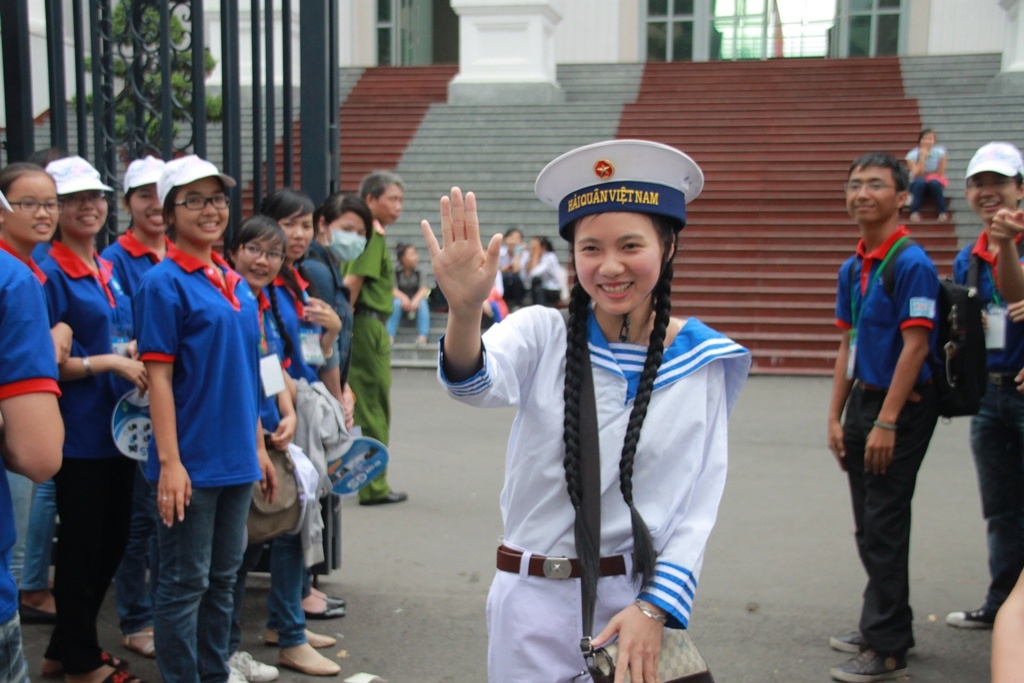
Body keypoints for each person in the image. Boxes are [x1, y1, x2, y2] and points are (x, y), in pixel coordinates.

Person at [424, 139, 750, 682]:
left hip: (633, 609)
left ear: (668, 247)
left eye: (630, 245)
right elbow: (474, 381)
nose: (610, 266)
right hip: (527, 603)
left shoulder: (701, 359)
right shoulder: (542, 333)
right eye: (591, 248)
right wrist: (464, 311)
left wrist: (655, 609)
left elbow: (697, 504)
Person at [134, 155, 277, 683]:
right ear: (169, 213)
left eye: (217, 198)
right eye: (193, 200)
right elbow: (160, 379)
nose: (210, 210)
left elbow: (245, 373)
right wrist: (170, 462)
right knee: (182, 582)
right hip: (190, 462)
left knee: (223, 579)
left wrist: (258, 447)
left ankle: (213, 673)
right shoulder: (162, 283)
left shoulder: (236, 284)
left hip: (237, 458)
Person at [826, 152, 941, 683]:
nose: (861, 193)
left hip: (900, 406)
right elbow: (847, 343)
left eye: (875, 184)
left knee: (885, 523)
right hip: (863, 403)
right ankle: (886, 623)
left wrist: (887, 421)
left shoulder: (911, 262)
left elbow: (915, 347)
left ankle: (888, 645)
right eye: (854, 185)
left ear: (901, 197)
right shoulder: (854, 266)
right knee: (868, 524)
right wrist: (835, 415)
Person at [38, 155, 149, 683]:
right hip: (79, 428)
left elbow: (105, 336)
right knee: (84, 545)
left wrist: (124, 350)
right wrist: (106, 361)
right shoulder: (50, 271)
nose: (89, 206)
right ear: (54, 210)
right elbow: (44, 358)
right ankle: (80, 660)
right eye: (73, 199)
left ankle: (65, 646)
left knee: (112, 538)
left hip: (120, 425)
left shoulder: (105, 267)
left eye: (95, 196)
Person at [225, 215, 340, 679]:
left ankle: (285, 631)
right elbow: (232, 375)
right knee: (236, 554)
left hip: (281, 433)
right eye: (257, 248)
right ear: (235, 250)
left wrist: (288, 412)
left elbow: (275, 362)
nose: (267, 258)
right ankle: (224, 654)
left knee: (277, 531)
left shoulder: (281, 291)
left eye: (272, 252)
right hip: (241, 444)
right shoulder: (233, 298)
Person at [940, 142, 1024, 633]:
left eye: (999, 182)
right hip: (991, 396)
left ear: (1019, 188)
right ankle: (1001, 603)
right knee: (1001, 508)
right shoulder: (967, 259)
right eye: (977, 184)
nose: (987, 192)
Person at [99, 155, 168, 661]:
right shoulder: (115, 260)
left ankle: (164, 613)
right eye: (143, 195)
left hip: (178, 401)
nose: (154, 204)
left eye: (161, 193)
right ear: (127, 204)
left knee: (167, 518)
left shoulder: (186, 252)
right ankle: (136, 617)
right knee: (140, 518)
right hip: (132, 404)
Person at [0, 162, 71, 626]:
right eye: (29, 203)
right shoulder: (14, 280)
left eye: (50, 203)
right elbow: (40, 455)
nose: (43, 213)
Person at [344, 171, 407, 506]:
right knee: (373, 407)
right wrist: (343, 329)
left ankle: (370, 480)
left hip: (369, 324)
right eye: (391, 199)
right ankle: (373, 485)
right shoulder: (373, 236)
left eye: (400, 201)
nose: (398, 207)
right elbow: (353, 283)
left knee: (370, 405)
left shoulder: (368, 235)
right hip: (366, 326)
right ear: (370, 199)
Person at [386, 243, 431, 345]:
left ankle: (423, 337)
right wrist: (403, 298)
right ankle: (389, 336)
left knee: (423, 303)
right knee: (396, 303)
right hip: (401, 303)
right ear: (403, 258)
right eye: (412, 254)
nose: (416, 257)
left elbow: (424, 289)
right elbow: (392, 289)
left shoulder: (420, 271)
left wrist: (415, 300)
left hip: (416, 302)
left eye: (416, 254)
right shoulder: (395, 272)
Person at [905, 129, 950, 222]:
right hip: (917, 183)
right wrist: (922, 157)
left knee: (935, 183)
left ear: (934, 141)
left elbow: (940, 173)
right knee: (920, 182)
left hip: (934, 181)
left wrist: (926, 175)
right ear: (920, 140)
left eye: (930, 139)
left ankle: (942, 212)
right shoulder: (911, 155)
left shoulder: (940, 153)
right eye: (924, 139)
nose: (927, 141)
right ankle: (914, 212)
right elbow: (916, 173)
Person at [526, 235, 564, 306]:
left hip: (553, 289)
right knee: (535, 282)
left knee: (538, 289)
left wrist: (535, 256)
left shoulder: (550, 257)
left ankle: (541, 310)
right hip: (543, 287)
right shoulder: (539, 258)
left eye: (534, 247)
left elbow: (534, 273)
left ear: (542, 247)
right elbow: (526, 278)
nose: (532, 249)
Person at [498, 227, 527, 309]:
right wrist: (504, 269)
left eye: (516, 239)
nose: (513, 242)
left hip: (519, 287)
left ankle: (517, 306)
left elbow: (516, 269)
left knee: (515, 278)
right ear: (505, 239)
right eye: (510, 238)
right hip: (503, 285)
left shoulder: (524, 254)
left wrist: (517, 252)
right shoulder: (500, 252)